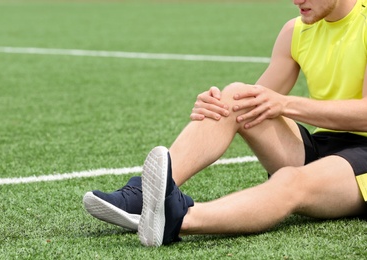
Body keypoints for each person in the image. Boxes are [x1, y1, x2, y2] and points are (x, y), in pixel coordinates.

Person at [83, 0, 367, 247]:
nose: (296, 0)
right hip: (323, 144)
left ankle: (179, 218)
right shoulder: (295, 30)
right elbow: (251, 104)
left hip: (363, 154)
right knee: (233, 95)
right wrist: (221, 106)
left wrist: (286, 103)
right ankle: (142, 195)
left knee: (289, 180)